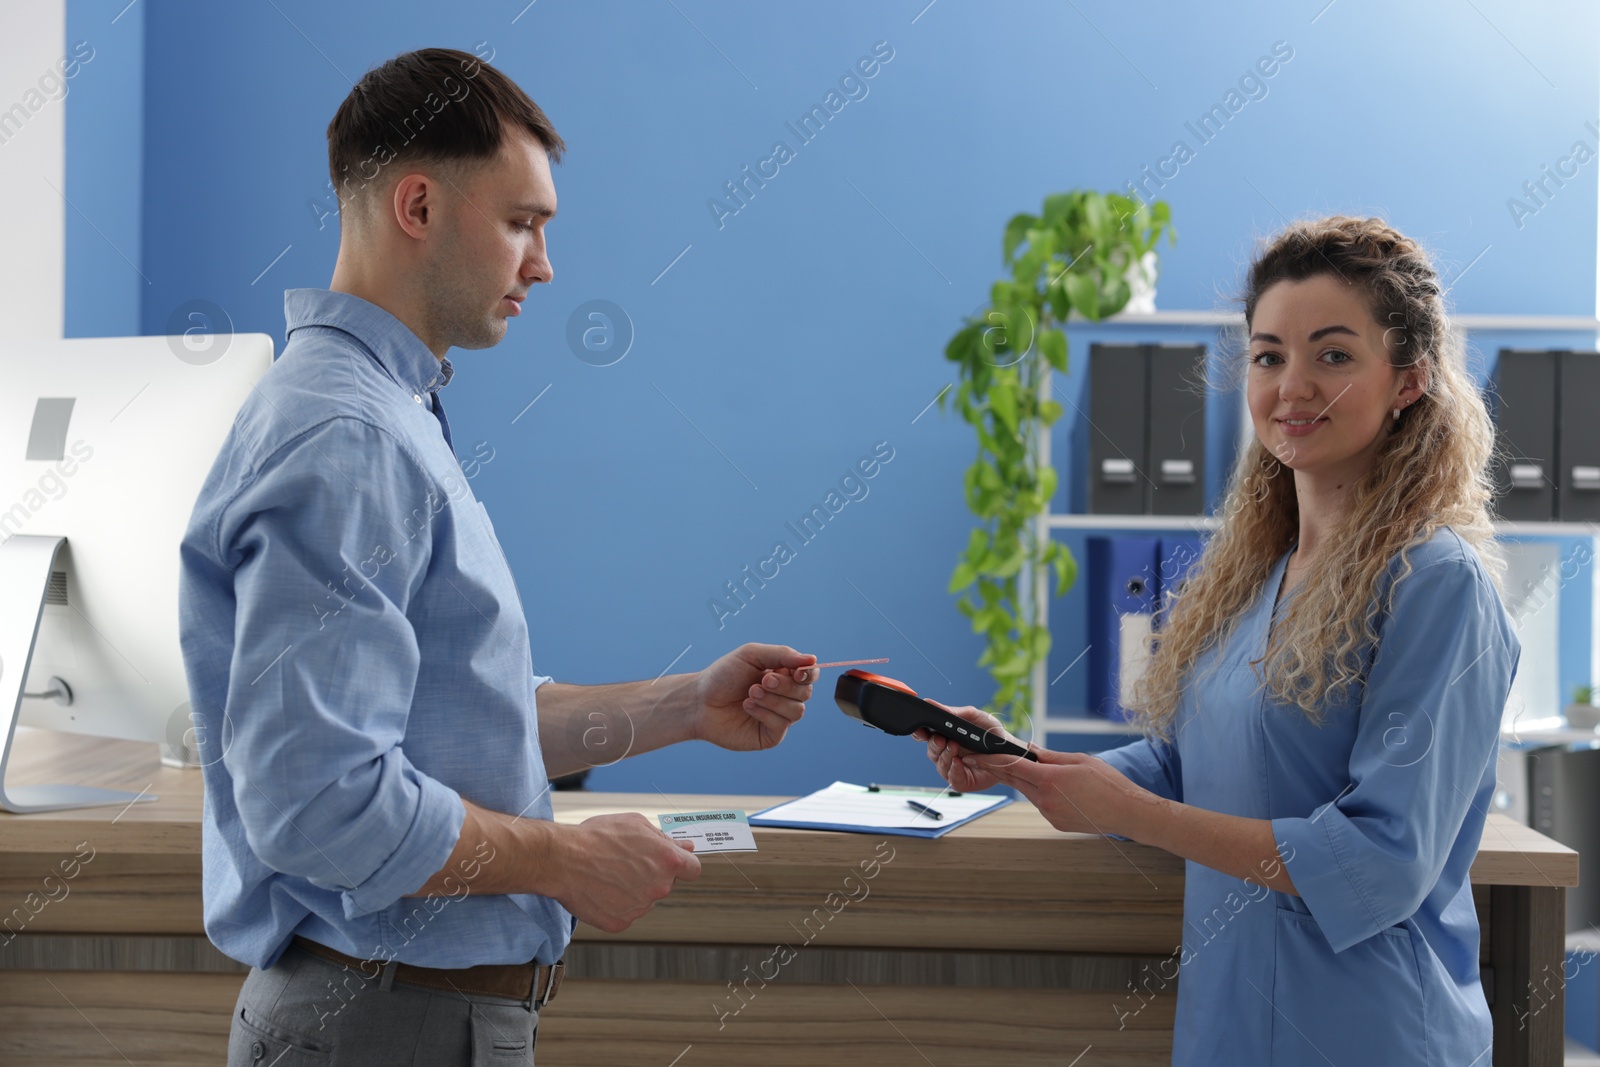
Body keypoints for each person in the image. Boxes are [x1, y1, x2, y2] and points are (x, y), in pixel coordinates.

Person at [178, 47, 819, 1065]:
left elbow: (447, 724)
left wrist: (686, 706)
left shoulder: (388, 413)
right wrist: (563, 854)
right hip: (384, 1024)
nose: (545, 264)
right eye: (522, 222)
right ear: (420, 207)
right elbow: (320, 801)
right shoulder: (348, 437)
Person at [920, 216, 1521, 1065]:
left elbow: (1380, 862)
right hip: (1230, 1024)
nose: (1292, 386)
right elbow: (1188, 763)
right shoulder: (1259, 573)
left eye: (1335, 355)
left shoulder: (1437, 583)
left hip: (1370, 1032)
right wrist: (1024, 762)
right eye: (1270, 355)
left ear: (1410, 381)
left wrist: (1138, 815)